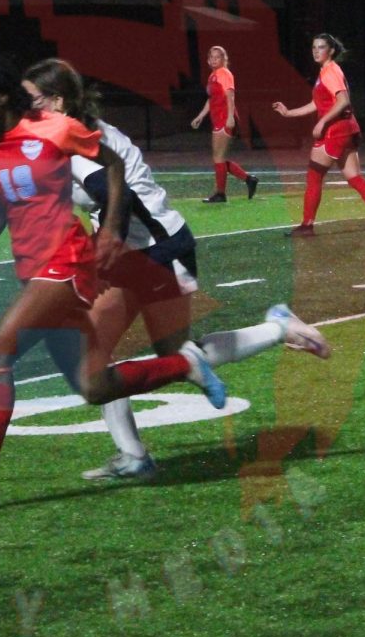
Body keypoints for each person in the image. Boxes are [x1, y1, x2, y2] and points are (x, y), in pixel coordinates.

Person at [0, 55, 229, 513]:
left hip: (67, 263)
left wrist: (110, 231)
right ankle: (183, 367)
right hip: (33, 270)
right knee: (94, 386)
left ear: (1, 98)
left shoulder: (53, 127)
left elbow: (112, 167)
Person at [22, 58, 329, 481]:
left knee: (126, 357)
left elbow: (117, 197)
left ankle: (134, 453)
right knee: (146, 353)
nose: (27, 112)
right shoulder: (81, 129)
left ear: (56, 101)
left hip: (153, 251)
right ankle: (276, 328)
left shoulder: (75, 138)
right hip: (154, 246)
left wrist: (97, 250)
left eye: (32, 102)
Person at [272, 34, 365, 237]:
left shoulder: (330, 71)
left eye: (321, 47)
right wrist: (289, 113)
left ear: (330, 51)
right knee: (354, 178)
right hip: (348, 129)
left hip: (335, 131)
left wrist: (322, 122)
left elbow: (343, 101)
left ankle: (307, 226)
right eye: (313, 47)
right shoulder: (327, 71)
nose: (315, 50)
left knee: (314, 176)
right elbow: (318, 104)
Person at [190, 45, 259, 202]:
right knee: (219, 158)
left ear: (224, 59)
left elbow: (230, 96)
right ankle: (248, 180)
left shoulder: (224, 73)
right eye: (211, 57)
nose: (214, 60)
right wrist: (200, 116)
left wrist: (230, 117)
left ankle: (221, 193)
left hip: (224, 119)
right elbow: (211, 99)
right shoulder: (213, 75)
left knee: (219, 157)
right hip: (217, 118)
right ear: (208, 60)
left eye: (218, 57)